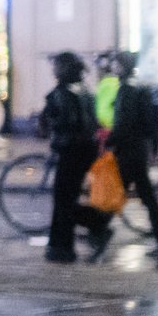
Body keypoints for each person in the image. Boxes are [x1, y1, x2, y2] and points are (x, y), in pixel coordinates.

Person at [42, 51, 111, 264]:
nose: (53, 70)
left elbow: (61, 120)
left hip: (70, 150)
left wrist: (49, 122)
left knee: (63, 199)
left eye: (56, 66)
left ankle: (64, 247)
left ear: (63, 69)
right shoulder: (85, 90)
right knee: (67, 198)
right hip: (87, 149)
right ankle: (65, 243)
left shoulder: (61, 92)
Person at [105, 50, 158, 257]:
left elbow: (123, 124)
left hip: (129, 152)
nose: (112, 67)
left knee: (118, 194)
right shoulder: (141, 88)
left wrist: (109, 141)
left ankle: (98, 231)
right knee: (141, 196)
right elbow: (154, 122)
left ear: (123, 67)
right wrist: (153, 148)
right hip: (139, 150)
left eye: (116, 64)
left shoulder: (126, 90)